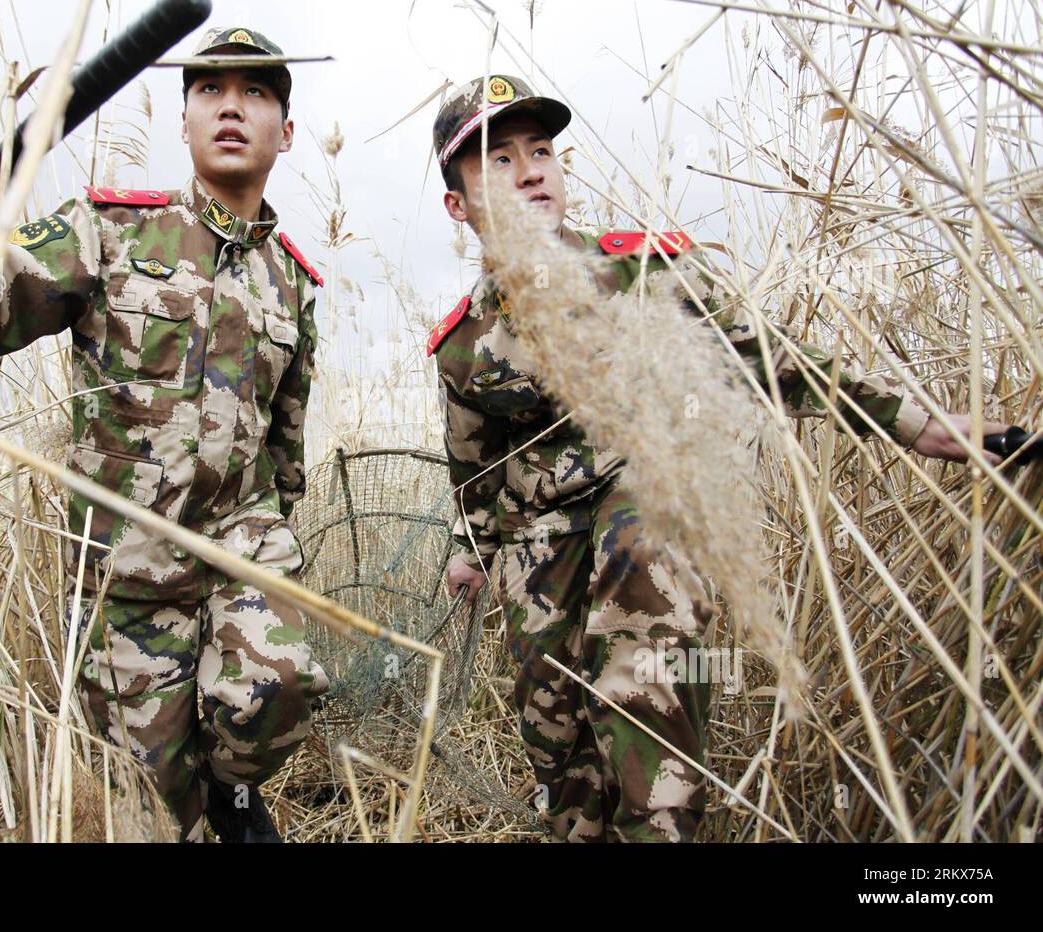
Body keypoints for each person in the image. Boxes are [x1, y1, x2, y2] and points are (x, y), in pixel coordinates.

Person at [427, 74, 1007, 842]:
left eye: (542, 151)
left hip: (642, 503)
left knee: (644, 652)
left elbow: (775, 358)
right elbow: (473, 462)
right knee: (560, 753)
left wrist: (912, 423)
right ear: (458, 205)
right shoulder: (462, 342)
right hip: (539, 552)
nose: (532, 170)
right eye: (498, 160)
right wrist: (471, 552)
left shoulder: (640, 271)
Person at [0, 27, 331, 843]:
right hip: (128, 569)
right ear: (185, 121)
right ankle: (203, 808)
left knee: (278, 682)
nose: (232, 106)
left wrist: (274, 537)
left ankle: (235, 792)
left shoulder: (293, 281)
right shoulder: (111, 230)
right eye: (210, 91)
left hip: (242, 548)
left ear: (286, 132)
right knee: (151, 799)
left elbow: (284, 440)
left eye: (257, 92)